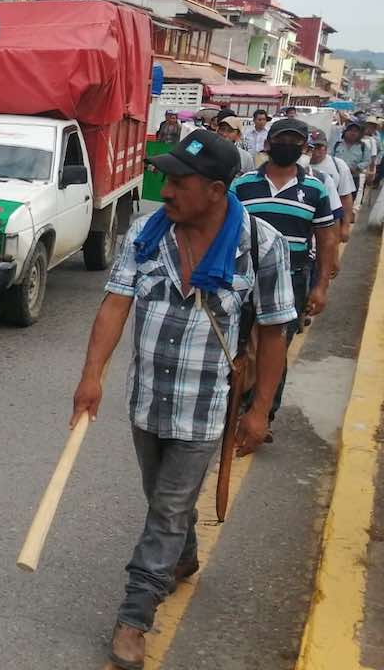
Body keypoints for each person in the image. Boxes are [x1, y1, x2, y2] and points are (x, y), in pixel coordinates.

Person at [74, 129, 293, 670]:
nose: (165, 191)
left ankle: (134, 616)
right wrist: (91, 376)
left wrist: (259, 409)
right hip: (147, 398)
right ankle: (184, 556)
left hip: (205, 406)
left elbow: (273, 332)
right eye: (165, 179)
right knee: (162, 499)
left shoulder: (261, 245)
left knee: (168, 508)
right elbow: (115, 303)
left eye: (179, 182)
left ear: (216, 190)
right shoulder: (147, 233)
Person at [231, 118, 337, 440]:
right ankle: (234, 406)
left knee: (275, 347)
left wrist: (321, 286)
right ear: (268, 143)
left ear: (304, 147)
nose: (287, 145)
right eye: (281, 139)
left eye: (294, 141)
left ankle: (262, 414)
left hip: (292, 281)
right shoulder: (243, 185)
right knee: (239, 345)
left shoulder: (315, 188)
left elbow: (326, 239)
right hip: (245, 280)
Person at [301, 132, 355, 240]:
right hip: (305, 220)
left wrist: (345, 227)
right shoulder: (299, 165)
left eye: (319, 147)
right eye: (311, 148)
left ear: (326, 148)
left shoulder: (339, 165)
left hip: (330, 220)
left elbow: (345, 198)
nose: (315, 151)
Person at [334, 120, 372, 198]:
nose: (353, 133)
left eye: (356, 131)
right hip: (337, 177)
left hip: (353, 178)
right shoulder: (337, 144)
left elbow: (367, 160)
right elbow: (330, 157)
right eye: (350, 130)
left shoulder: (363, 146)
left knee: (350, 199)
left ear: (359, 134)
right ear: (345, 132)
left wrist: (357, 167)